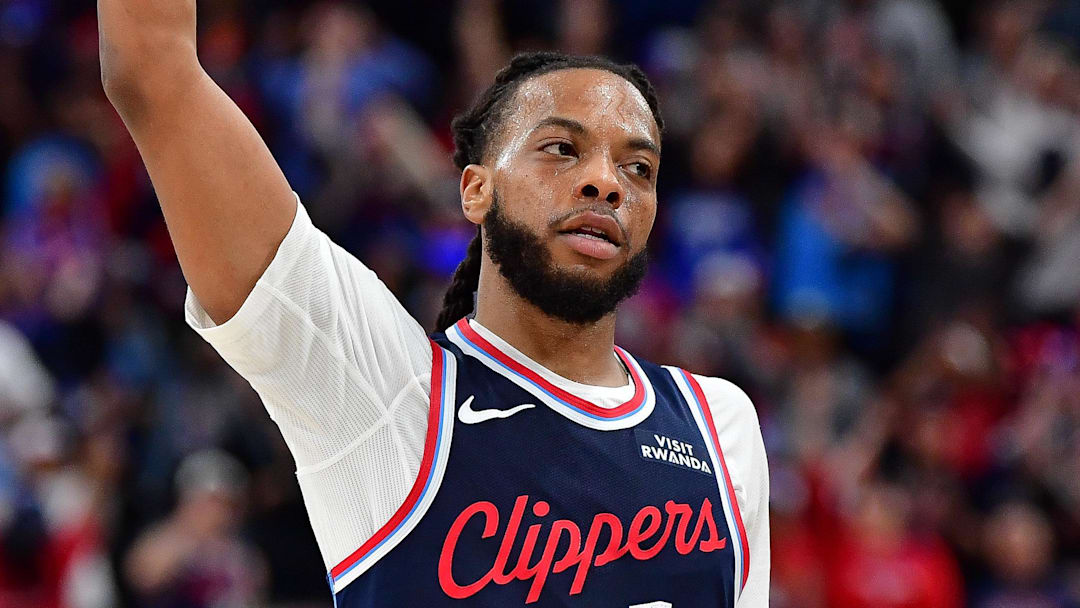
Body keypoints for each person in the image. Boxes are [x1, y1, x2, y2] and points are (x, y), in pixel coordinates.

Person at [97, 1, 769, 605]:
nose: (604, 181)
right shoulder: (385, 395)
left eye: (638, 168)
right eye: (562, 149)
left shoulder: (721, 427)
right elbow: (153, 69)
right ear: (475, 190)